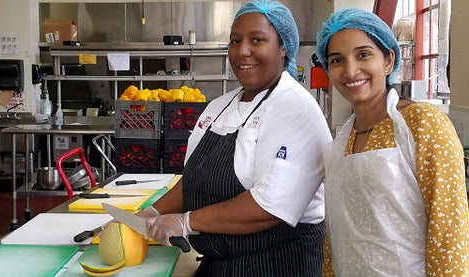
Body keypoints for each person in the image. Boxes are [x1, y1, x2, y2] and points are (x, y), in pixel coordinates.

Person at [136, 0, 332, 276]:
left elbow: (269, 206)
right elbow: (195, 181)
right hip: (222, 262)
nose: (243, 51)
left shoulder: (296, 110)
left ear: (283, 47)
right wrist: (152, 213)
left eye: (258, 40)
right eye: (235, 40)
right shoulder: (219, 106)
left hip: (278, 264)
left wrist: (187, 222)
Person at [315, 8, 469, 276]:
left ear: (388, 60)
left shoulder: (421, 124)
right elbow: (334, 237)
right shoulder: (342, 140)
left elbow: (449, 234)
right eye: (337, 60)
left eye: (363, 54)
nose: (350, 70)